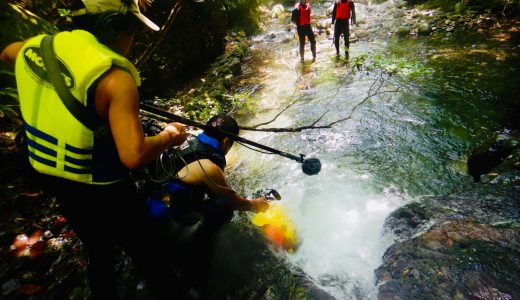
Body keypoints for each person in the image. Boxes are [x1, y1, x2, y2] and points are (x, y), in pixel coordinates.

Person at [0, 0, 188, 298]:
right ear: (111, 27)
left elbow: (7, 53)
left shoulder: (36, 48)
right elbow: (134, 155)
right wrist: (168, 136)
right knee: (147, 252)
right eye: (132, 32)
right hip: (105, 188)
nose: (133, 41)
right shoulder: (116, 81)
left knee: (99, 252)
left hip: (57, 181)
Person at [144, 114, 270, 294]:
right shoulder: (209, 167)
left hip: (146, 211)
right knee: (224, 207)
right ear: (226, 141)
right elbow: (235, 203)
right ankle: (195, 272)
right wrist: (257, 204)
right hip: (165, 227)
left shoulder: (183, 141)